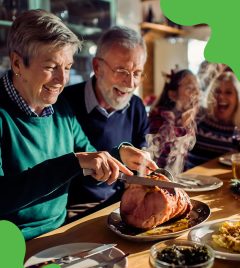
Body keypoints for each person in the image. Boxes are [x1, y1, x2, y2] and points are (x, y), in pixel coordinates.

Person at [0, 10, 157, 240]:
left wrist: (119, 154)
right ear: (17, 63)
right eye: (51, 67)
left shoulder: (60, 107)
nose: (61, 80)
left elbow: (90, 156)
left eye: (67, 67)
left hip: (60, 233)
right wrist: (73, 162)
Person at [61, 26, 150, 212]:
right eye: (121, 70)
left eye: (137, 73)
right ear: (97, 67)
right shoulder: (64, 104)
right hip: (76, 208)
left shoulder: (136, 106)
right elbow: (60, 168)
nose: (131, 83)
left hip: (121, 203)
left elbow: (143, 158)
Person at [147, 69, 200, 176]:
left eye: (197, 88)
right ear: (173, 95)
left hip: (183, 177)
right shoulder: (160, 118)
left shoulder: (190, 117)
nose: (196, 92)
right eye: (190, 88)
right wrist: (182, 127)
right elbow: (160, 158)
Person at [187, 71, 240, 168]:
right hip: (191, 179)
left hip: (226, 180)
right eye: (217, 91)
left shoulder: (238, 129)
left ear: (237, 97)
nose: (221, 97)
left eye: (228, 92)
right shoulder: (198, 117)